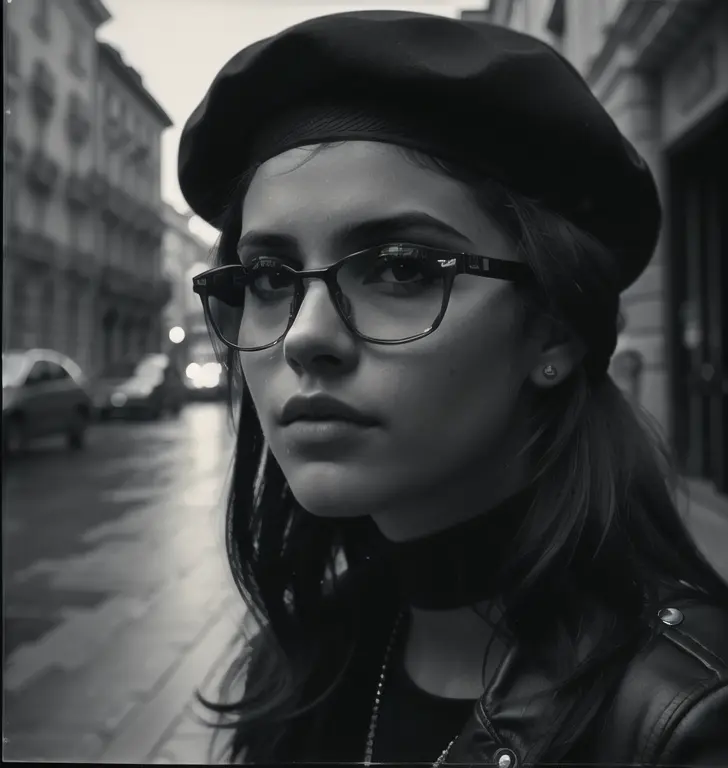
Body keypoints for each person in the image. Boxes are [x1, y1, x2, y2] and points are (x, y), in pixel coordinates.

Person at [178, 11, 728, 766]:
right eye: (271, 277)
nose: (305, 336)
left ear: (555, 331)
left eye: (401, 267)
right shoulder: (303, 664)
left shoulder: (685, 723)